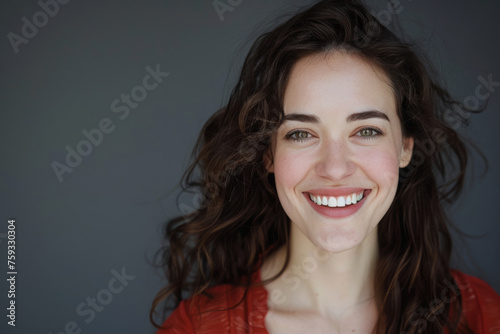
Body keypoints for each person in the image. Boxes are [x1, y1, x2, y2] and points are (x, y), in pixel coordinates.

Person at [150, 0, 500, 332]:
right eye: (301, 134)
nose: (335, 168)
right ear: (267, 154)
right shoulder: (197, 327)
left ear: (405, 147)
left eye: (366, 131)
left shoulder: (480, 315)